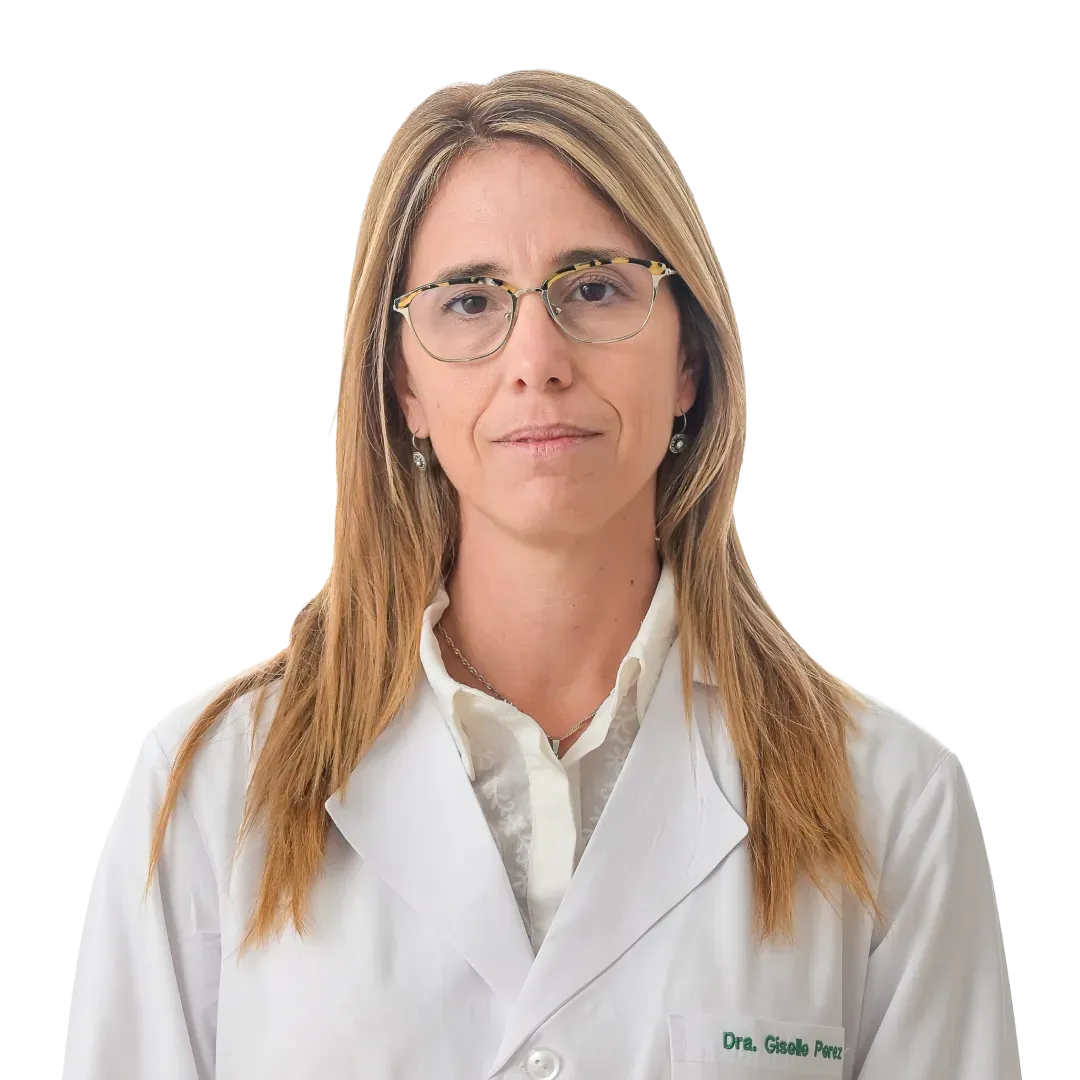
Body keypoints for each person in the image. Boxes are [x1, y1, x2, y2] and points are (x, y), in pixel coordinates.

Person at [65, 69, 1022, 1079]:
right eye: (470, 301)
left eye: (595, 287)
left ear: (690, 360)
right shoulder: (212, 788)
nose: (537, 360)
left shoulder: (893, 804)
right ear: (403, 385)